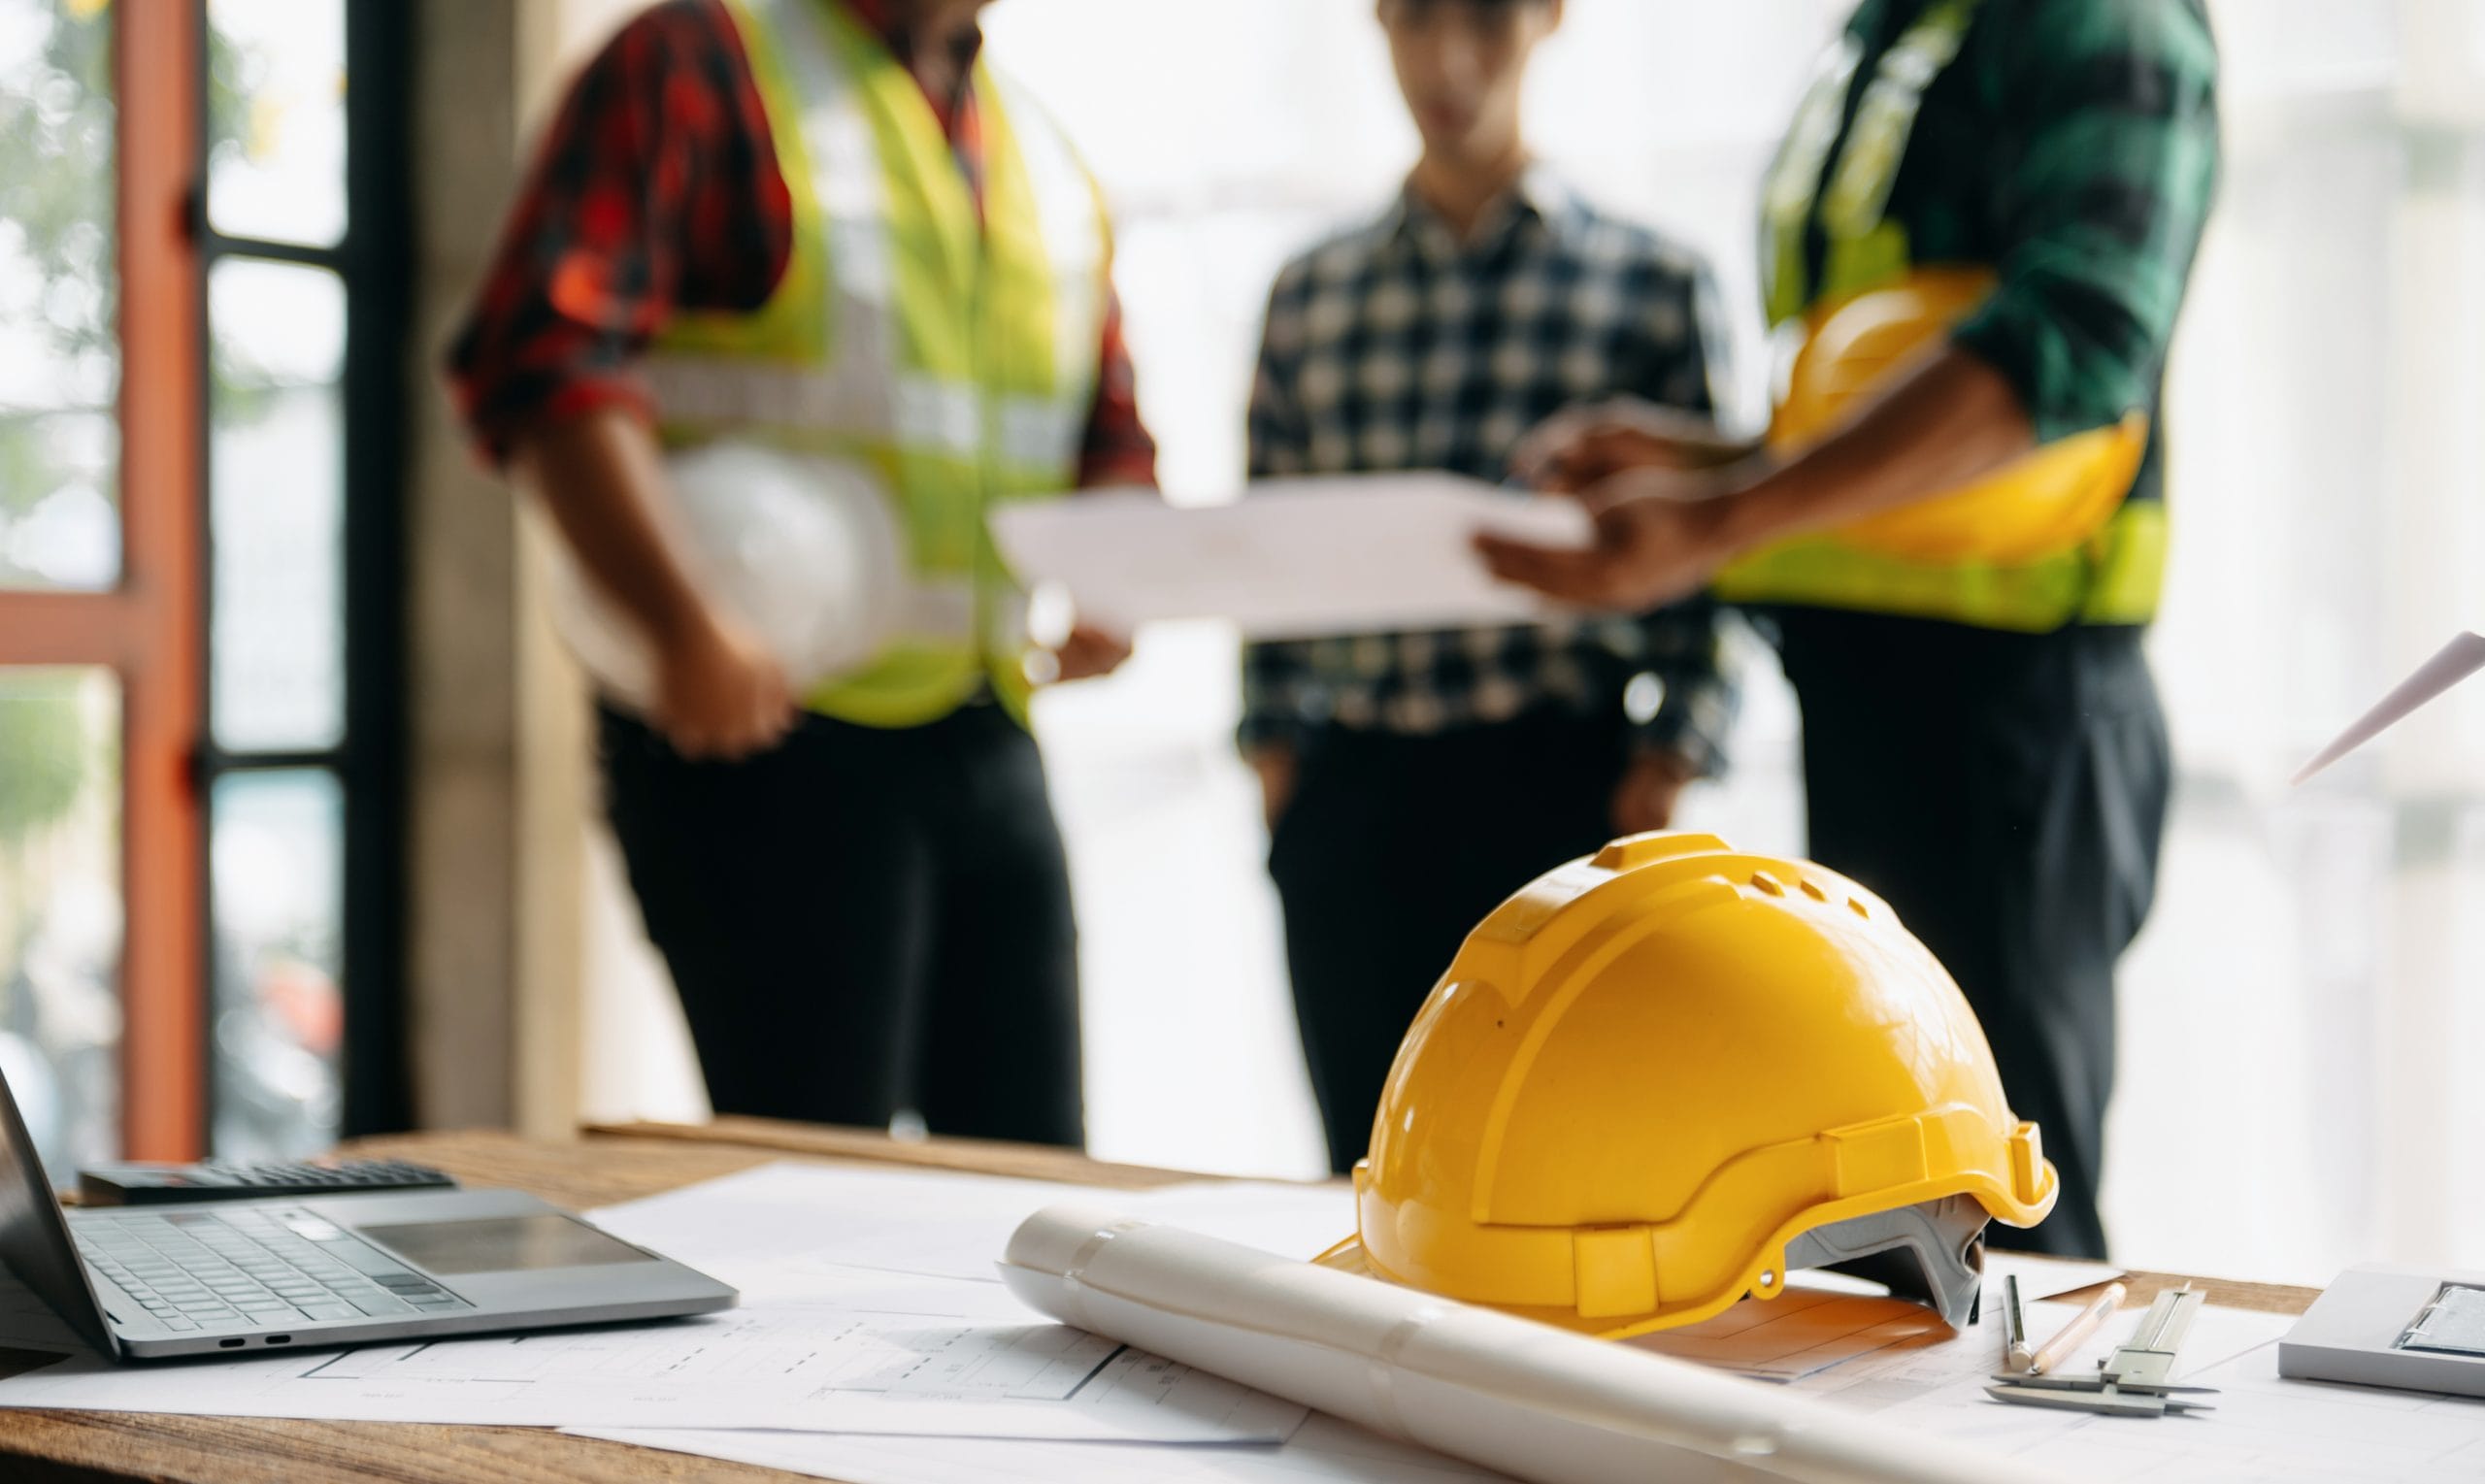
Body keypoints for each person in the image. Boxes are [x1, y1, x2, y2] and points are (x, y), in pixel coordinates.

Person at [1480, 0, 2219, 1257]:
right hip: (1875, 698)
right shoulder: (1892, 32)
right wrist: (1721, 461)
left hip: (2013, 716)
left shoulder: (2103, 21)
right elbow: (1894, 388)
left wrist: (1725, 511)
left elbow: (2076, 345)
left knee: (2007, 1223)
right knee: (1900, 1220)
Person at [447, 0, 1156, 1147]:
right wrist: (681, 623)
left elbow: (1108, 427)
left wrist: (1119, 567)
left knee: (1036, 1180)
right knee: (815, 1190)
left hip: (986, 726)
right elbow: (548, 357)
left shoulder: (1045, 158)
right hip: (767, 747)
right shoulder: (698, 63)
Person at [1244, 0, 1740, 1175]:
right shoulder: (1308, 296)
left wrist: (1668, 758)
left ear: (1549, 19)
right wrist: (1278, 773)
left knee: (1567, 1175)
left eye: (1484, 21)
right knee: (1370, 1174)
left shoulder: (1654, 281)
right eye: (1415, 21)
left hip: (1561, 794)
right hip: (1353, 796)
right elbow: (1271, 554)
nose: (1447, 62)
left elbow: (1709, 565)